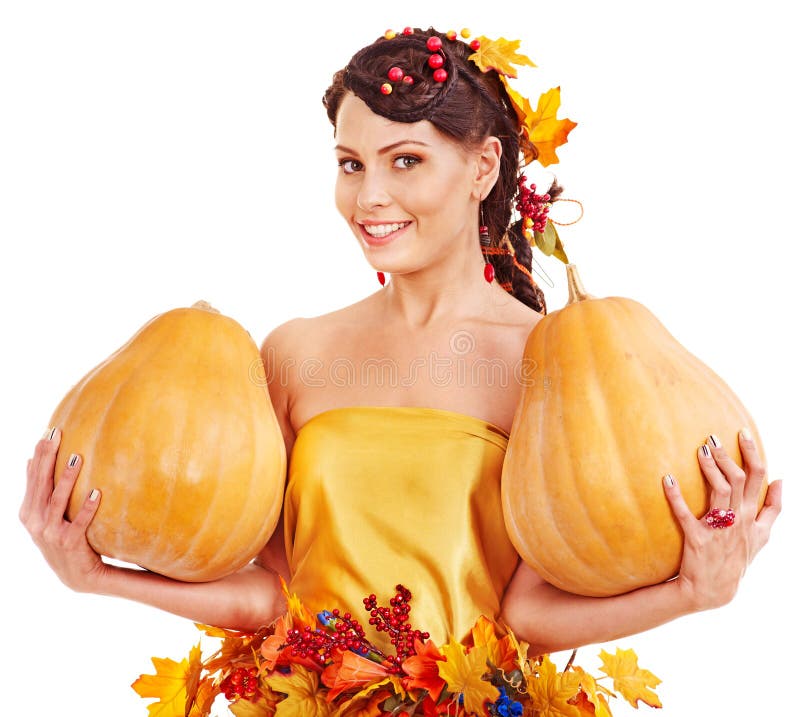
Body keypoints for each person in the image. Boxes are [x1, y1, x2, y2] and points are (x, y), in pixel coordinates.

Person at [19, 26, 781, 660]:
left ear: (483, 167)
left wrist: (694, 591)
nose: (369, 197)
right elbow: (273, 592)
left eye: (405, 161)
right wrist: (97, 577)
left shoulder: (547, 362)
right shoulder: (295, 353)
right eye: (352, 165)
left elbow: (526, 616)